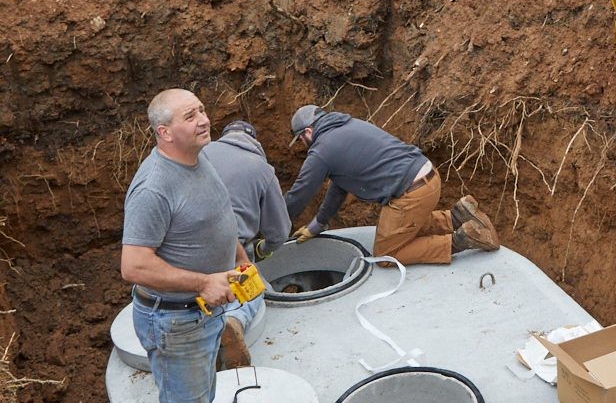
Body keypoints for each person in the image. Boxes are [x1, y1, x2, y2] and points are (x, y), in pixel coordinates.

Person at [121, 89, 247, 403]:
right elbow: (133, 265)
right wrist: (204, 282)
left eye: (202, 111)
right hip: (175, 322)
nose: (204, 120)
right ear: (164, 132)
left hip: (204, 311)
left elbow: (215, 217)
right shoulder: (154, 187)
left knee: (203, 393)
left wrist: (238, 258)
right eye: (190, 117)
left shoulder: (198, 159)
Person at [284, 104, 500, 265]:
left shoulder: (321, 150)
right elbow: (339, 187)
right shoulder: (348, 125)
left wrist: (274, 227)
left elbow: (299, 194)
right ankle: (458, 216)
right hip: (428, 177)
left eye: (301, 140)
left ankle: (462, 239)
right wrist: (318, 224)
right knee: (402, 229)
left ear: (307, 132)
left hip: (410, 194)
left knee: (386, 254)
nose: (303, 146)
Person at [200, 118, 290, 369]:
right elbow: (280, 231)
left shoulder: (199, 153)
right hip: (229, 248)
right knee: (255, 289)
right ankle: (234, 322)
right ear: (255, 142)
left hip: (183, 244)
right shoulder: (262, 169)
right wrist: (265, 249)